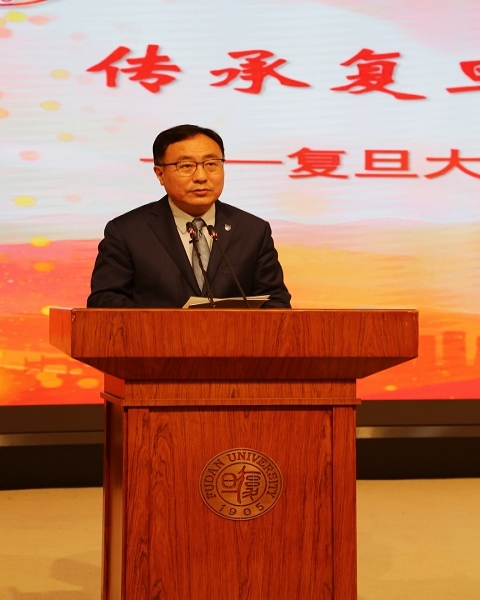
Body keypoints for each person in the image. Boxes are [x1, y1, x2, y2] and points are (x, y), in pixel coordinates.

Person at [86, 124, 291, 308]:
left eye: (211, 164)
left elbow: (276, 300)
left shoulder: (252, 230)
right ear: (160, 173)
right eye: (186, 166)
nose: (201, 177)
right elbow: (104, 300)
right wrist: (164, 327)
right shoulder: (127, 232)